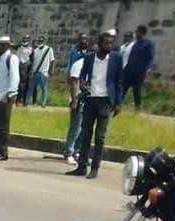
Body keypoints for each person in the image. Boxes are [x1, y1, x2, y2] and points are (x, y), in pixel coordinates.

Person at [66, 30, 122, 179]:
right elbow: (83, 75)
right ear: (99, 44)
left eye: (111, 43)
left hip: (105, 101)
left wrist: (118, 103)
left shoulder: (116, 59)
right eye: (106, 43)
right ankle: (82, 166)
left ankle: (95, 168)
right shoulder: (90, 58)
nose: (109, 45)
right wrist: (83, 84)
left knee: (99, 137)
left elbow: (118, 82)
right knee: (85, 134)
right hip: (90, 100)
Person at [121, 24, 154, 110]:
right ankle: (117, 105)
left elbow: (150, 57)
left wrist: (148, 69)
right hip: (129, 70)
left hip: (139, 72)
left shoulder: (148, 44)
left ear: (141, 33)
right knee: (123, 88)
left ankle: (137, 108)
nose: (135, 33)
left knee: (137, 90)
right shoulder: (134, 44)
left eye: (137, 31)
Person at [63, 51, 86, 164]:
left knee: (84, 128)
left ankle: (77, 150)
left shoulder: (93, 65)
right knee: (75, 127)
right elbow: (74, 82)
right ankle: (68, 152)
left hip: (89, 100)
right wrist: (75, 100)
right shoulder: (79, 64)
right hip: (78, 99)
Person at [27, 35, 53, 107]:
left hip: (44, 72)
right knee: (31, 88)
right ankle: (27, 102)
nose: (40, 42)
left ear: (44, 41)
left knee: (44, 88)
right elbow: (32, 61)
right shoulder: (35, 50)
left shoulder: (49, 49)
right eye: (39, 41)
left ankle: (43, 103)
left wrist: (51, 70)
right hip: (35, 72)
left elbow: (52, 60)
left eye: (41, 41)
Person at [16, 35, 33, 105]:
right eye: (24, 39)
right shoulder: (19, 47)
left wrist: (30, 70)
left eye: (26, 39)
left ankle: (23, 100)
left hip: (26, 68)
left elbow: (32, 60)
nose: (25, 40)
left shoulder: (31, 49)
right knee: (18, 84)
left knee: (25, 85)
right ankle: (17, 99)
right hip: (19, 66)